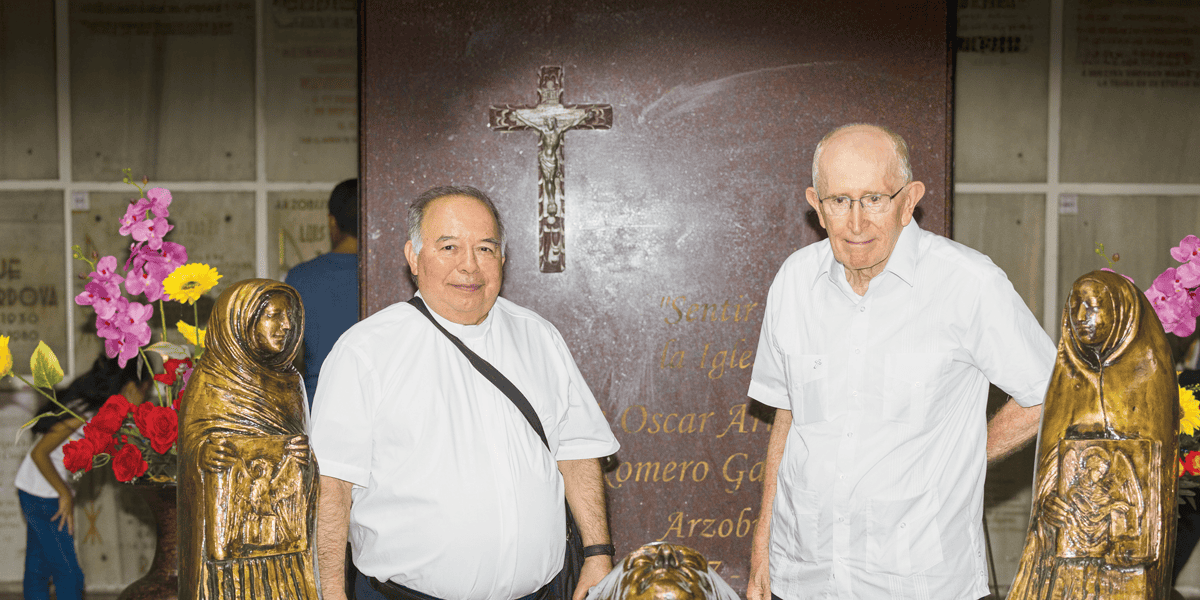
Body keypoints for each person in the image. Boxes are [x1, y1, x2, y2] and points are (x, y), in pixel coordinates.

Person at [745, 124, 1057, 600]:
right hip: (804, 577)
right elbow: (787, 415)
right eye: (839, 201)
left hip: (921, 581)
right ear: (816, 206)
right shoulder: (794, 282)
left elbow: (1049, 390)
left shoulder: (968, 283)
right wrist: (762, 546)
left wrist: (967, 456)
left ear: (909, 201)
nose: (856, 223)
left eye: (874, 199)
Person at [310, 186, 621, 600]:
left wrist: (598, 554)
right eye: (449, 247)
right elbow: (331, 485)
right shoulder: (365, 351)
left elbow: (578, 451)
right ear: (413, 257)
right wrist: (330, 593)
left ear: (503, 259)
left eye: (485, 249)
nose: (469, 265)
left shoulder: (539, 338)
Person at [178, 279, 318, 600]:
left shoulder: (290, 383)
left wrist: (303, 458)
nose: (286, 325)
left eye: (290, 318)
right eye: (274, 315)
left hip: (281, 542)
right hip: (226, 551)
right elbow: (190, 450)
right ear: (242, 321)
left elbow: (305, 463)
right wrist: (203, 454)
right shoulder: (211, 380)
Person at [14, 353, 148, 600]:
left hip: (37, 489)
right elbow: (39, 453)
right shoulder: (83, 413)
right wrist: (64, 493)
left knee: (38, 567)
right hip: (43, 495)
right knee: (68, 573)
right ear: (130, 387)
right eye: (145, 391)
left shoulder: (97, 411)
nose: (144, 399)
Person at [285, 178, 359, 408]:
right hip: (379, 407)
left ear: (331, 221)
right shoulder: (389, 278)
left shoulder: (299, 278)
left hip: (318, 404)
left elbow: (285, 357)